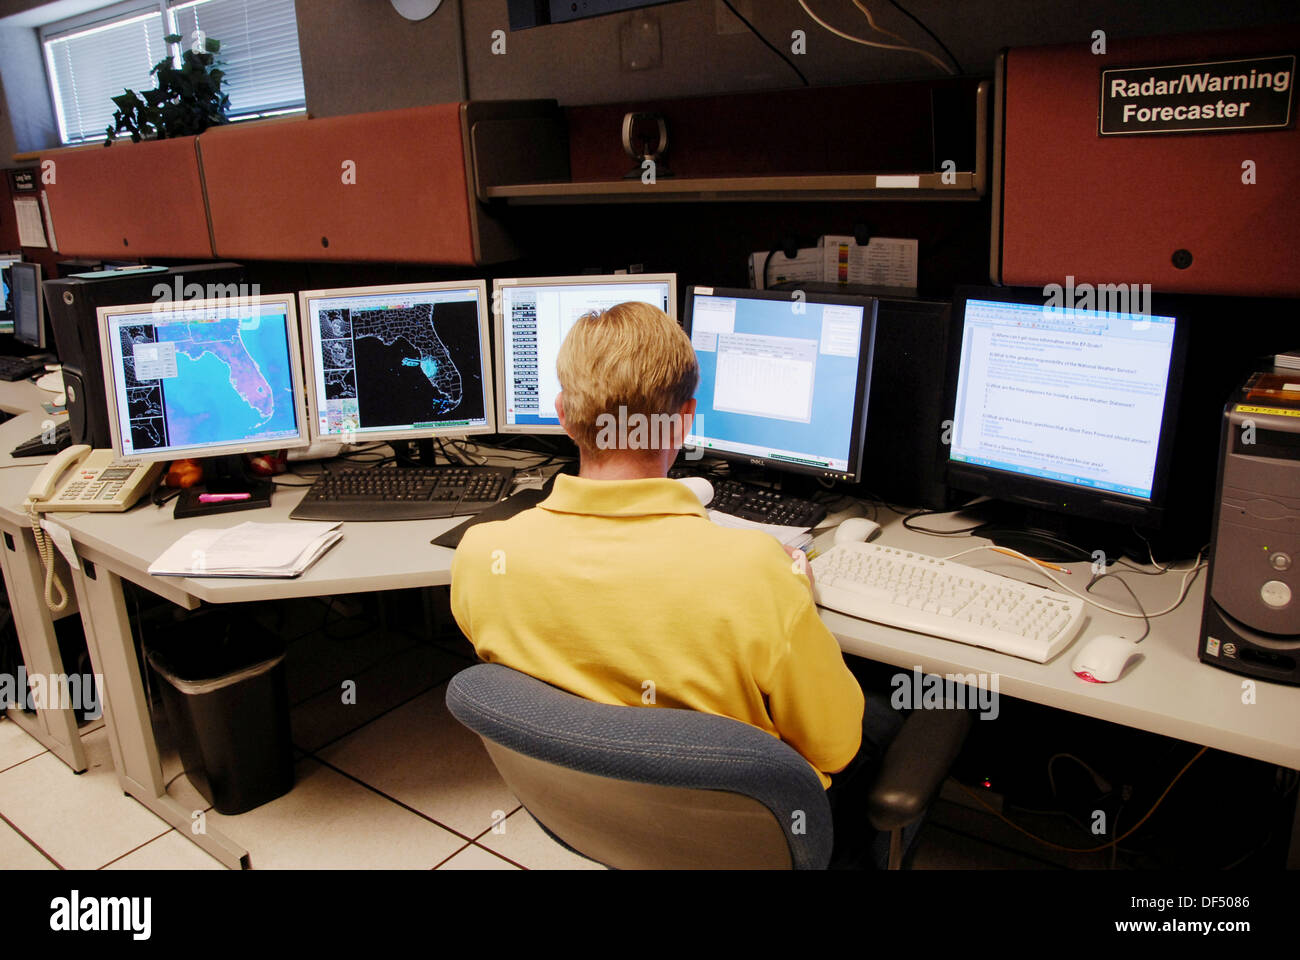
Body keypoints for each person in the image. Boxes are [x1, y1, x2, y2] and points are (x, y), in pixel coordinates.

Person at [450, 301, 903, 866]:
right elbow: (835, 749)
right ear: (684, 420)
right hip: (753, 838)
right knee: (887, 716)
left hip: (594, 819)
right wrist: (794, 595)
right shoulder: (756, 571)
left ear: (564, 415)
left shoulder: (483, 555)